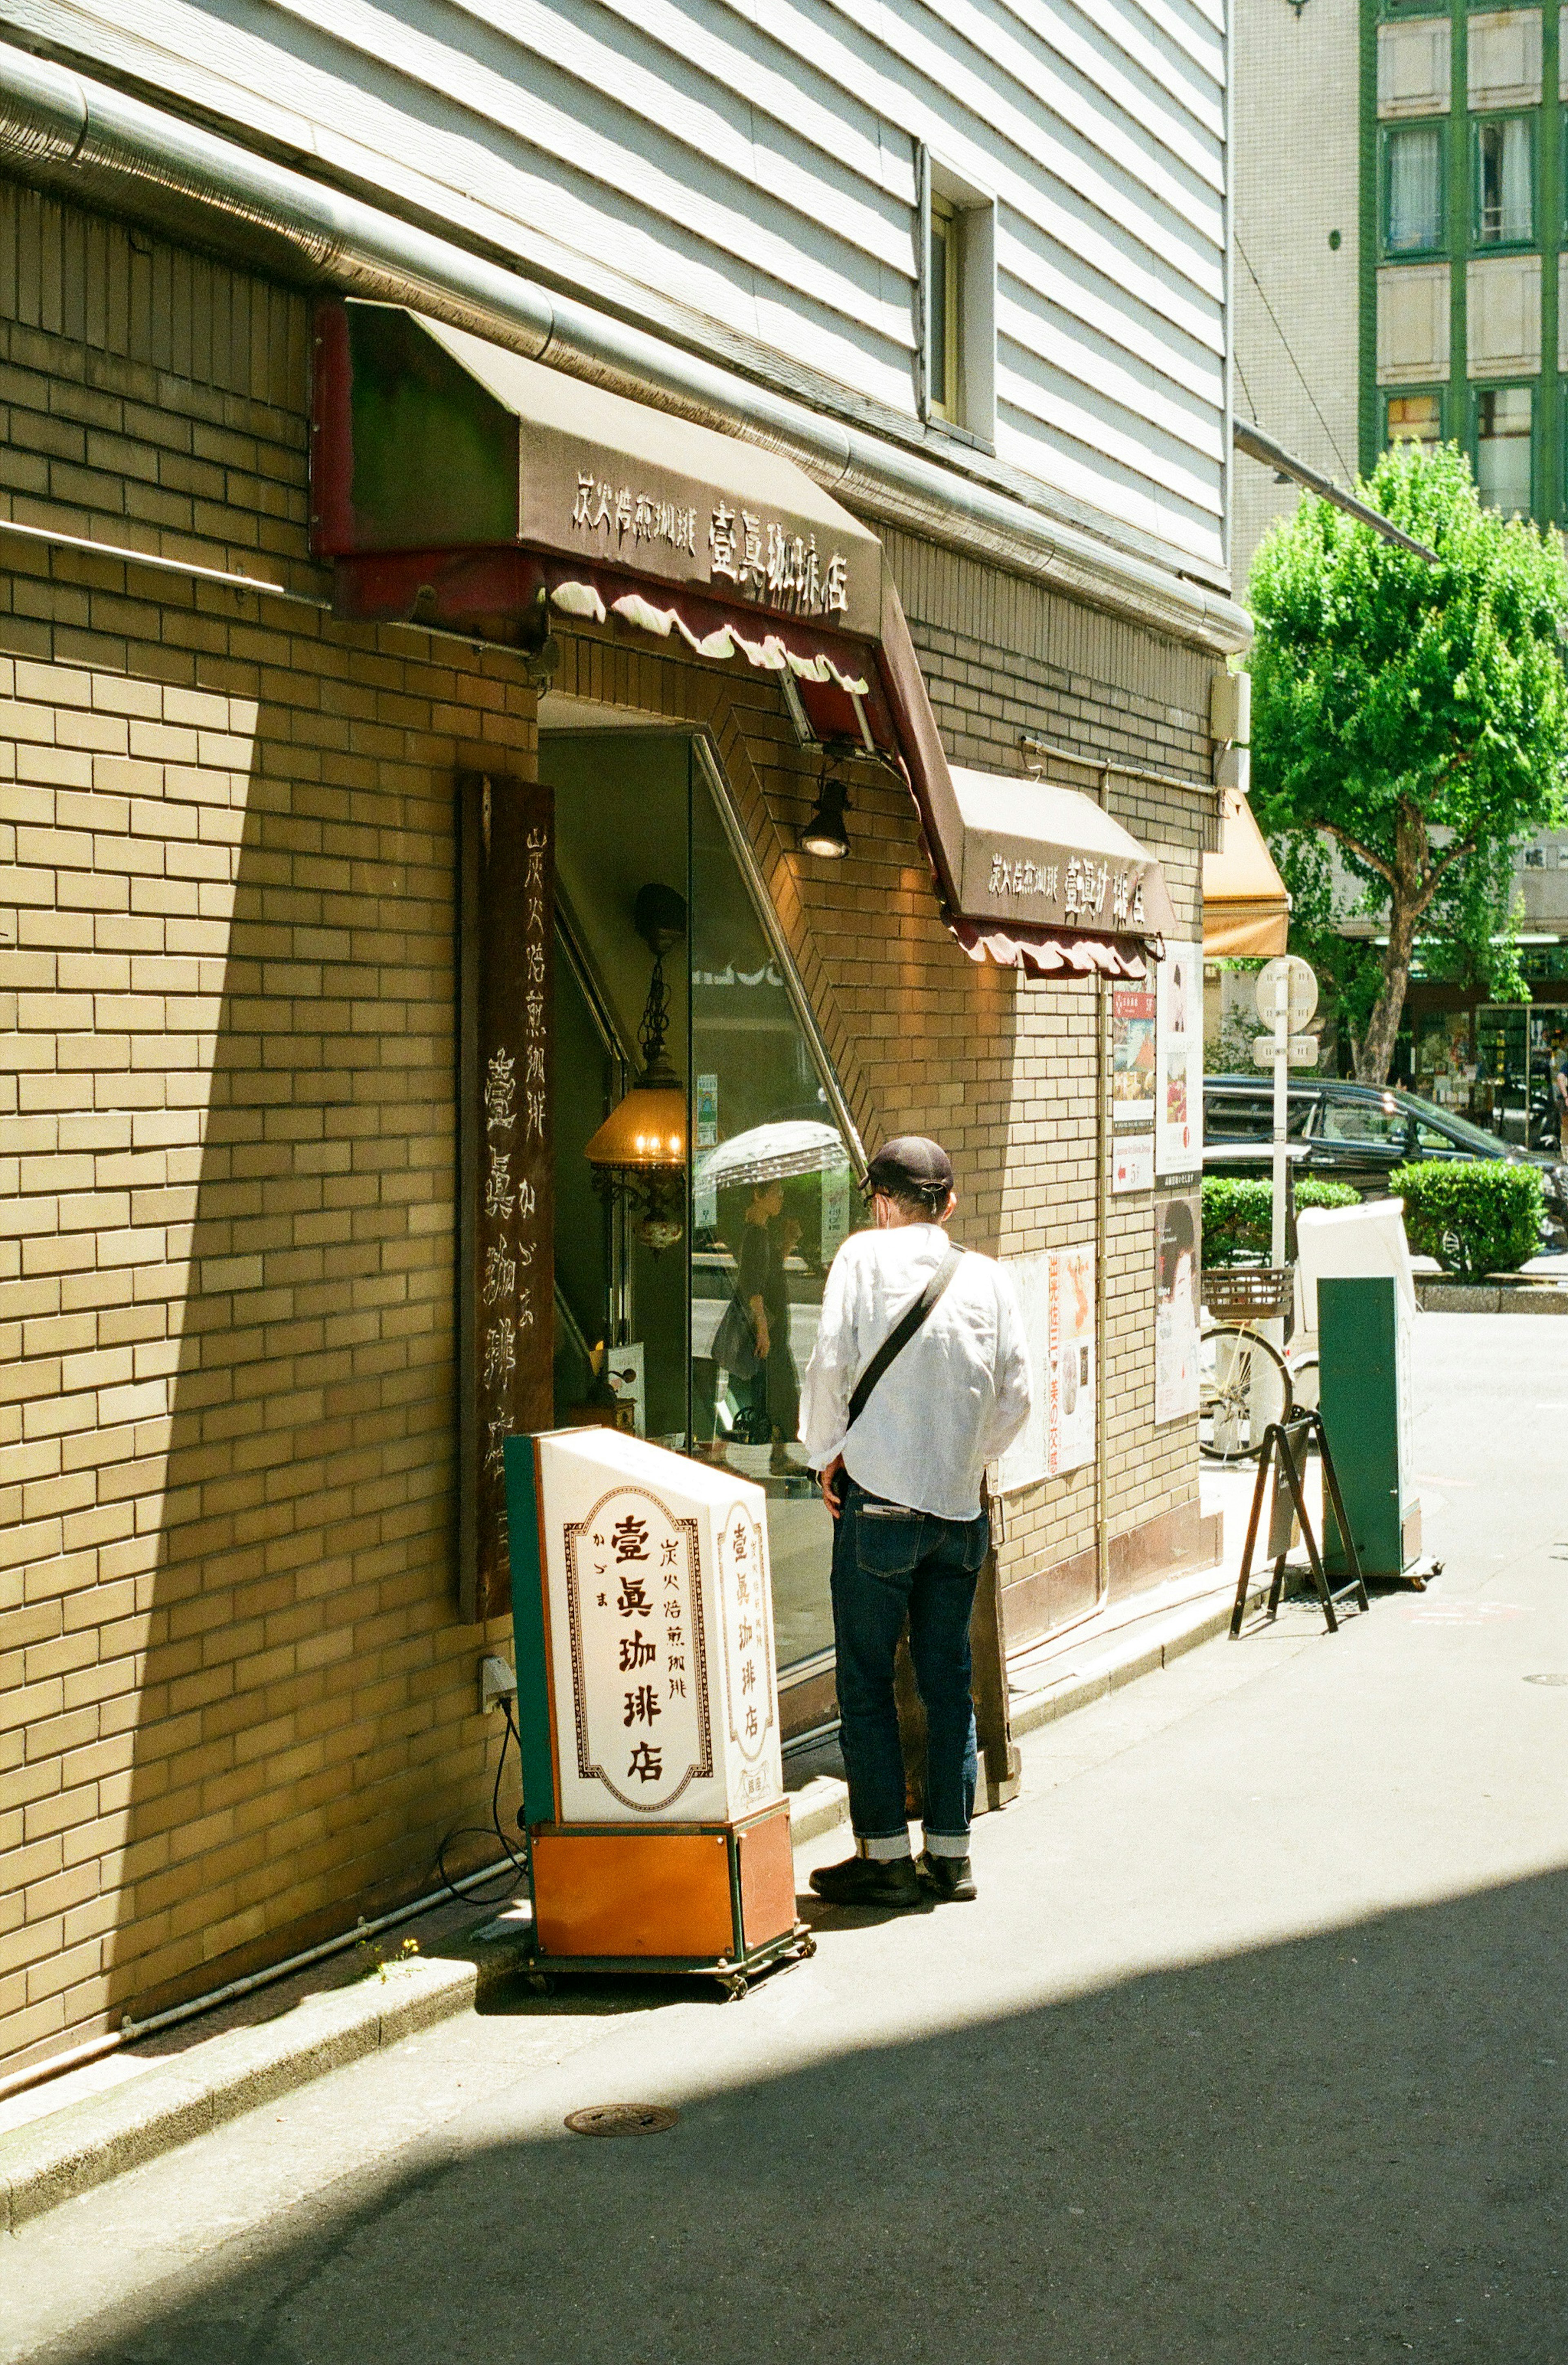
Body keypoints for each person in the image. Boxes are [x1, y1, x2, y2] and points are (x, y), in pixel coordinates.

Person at [799, 1136, 1031, 1908]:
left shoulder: (862, 1258)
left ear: (880, 1200)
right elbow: (1017, 1400)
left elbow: (829, 1366)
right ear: (951, 1204)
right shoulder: (990, 1278)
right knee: (948, 1683)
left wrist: (827, 1456)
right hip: (959, 1516)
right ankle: (952, 1855)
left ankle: (885, 1857)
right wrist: (965, 1463)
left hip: (878, 1511)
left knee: (866, 1684)